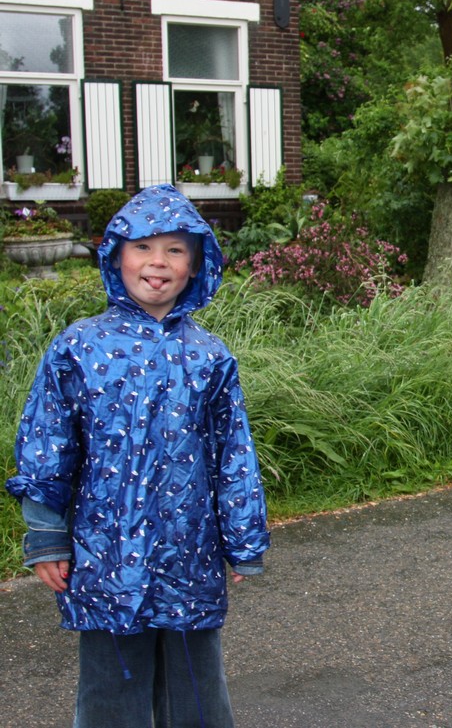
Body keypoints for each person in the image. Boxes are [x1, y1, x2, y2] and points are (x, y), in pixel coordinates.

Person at [6, 184, 270, 725]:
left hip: (188, 550)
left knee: (195, 688)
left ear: (195, 265)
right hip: (105, 550)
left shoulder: (210, 357)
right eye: (143, 247)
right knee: (110, 687)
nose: (158, 262)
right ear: (116, 257)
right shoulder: (79, 347)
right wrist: (47, 535)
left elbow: (233, 454)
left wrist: (243, 540)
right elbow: (48, 444)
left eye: (175, 250)